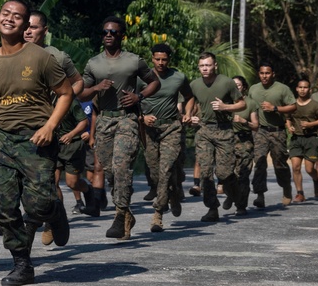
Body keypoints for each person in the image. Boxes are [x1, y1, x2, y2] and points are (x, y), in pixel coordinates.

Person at [0, 0, 72, 286]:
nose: (10, 19)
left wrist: (51, 126)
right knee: (3, 204)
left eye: (17, 16)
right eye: (5, 13)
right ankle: (22, 263)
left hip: (37, 138)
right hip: (2, 140)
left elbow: (65, 93)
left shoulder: (41, 58)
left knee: (38, 204)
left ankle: (54, 212)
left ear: (26, 25)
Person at [78, 16, 159, 240]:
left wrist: (139, 95)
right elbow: (81, 93)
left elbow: (154, 82)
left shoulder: (134, 61)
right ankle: (126, 216)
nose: (108, 36)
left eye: (113, 32)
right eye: (105, 32)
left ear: (122, 36)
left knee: (122, 166)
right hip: (104, 120)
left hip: (128, 119)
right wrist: (96, 88)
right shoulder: (93, 63)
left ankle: (120, 213)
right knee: (110, 170)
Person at [24, 12, 97, 222]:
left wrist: (65, 99)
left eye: (34, 27)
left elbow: (78, 82)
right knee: (49, 181)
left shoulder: (58, 57)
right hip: (31, 125)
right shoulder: (12, 54)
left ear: (44, 31)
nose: (28, 31)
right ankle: (55, 220)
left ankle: (87, 190)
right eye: (26, 26)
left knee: (72, 182)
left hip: (61, 128)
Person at [184, 52, 244, 222]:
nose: (205, 68)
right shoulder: (195, 84)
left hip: (224, 131)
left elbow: (242, 104)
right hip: (204, 131)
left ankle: (235, 196)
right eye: (202, 65)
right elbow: (191, 101)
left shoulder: (226, 82)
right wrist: (190, 115)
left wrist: (226, 107)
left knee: (224, 173)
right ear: (198, 67)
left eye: (208, 65)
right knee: (205, 172)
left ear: (215, 65)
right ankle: (212, 208)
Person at [139, 43, 192, 232]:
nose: (161, 63)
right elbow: (130, 103)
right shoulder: (141, 78)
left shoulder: (177, 76)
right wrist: (142, 117)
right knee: (154, 173)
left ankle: (158, 214)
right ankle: (175, 192)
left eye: (164, 59)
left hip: (171, 127)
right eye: (157, 59)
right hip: (149, 131)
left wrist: (187, 112)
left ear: (169, 60)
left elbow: (189, 95)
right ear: (152, 58)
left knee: (166, 169)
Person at [248, 63, 297, 208]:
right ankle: (260, 195)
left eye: (267, 73)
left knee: (280, 163)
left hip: (278, 131)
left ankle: (286, 187)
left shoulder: (282, 89)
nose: (264, 76)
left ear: (273, 74)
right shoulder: (253, 89)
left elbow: (293, 106)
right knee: (260, 162)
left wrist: (274, 108)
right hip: (260, 131)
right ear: (259, 74)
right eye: (262, 73)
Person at [285, 78, 318, 202]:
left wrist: (311, 124)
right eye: (300, 87)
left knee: (309, 169)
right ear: (297, 89)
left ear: (309, 89)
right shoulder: (292, 105)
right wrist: (289, 127)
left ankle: (316, 181)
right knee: (296, 167)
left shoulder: (316, 105)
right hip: (296, 139)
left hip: (311, 139)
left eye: (305, 87)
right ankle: (300, 193)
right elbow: (287, 118)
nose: (302, 90)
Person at [230, 76, 260, 215]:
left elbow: (255, 126)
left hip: (244, 141)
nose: (236, 87)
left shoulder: (251, 103)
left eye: (239, 85)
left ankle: (241, 205)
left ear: (244, 87)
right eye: (233, 85)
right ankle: (231, 194)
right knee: (226, 174)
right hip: (226, 140)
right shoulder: (225, 102)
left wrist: (244, 121)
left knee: (242, 175)